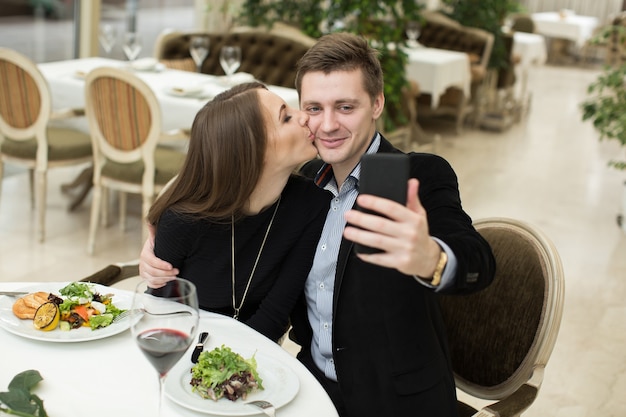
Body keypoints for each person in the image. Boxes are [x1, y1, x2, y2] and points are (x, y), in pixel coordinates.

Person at [140, 33, 495, 416]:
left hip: (396, 401)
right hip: (307, 388)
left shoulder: (419, 175)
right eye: (312, 108)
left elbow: (479, 261)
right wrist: (157, 252)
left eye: (345, 107)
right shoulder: (302, 184)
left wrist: (432, 259)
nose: (327, 125)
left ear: (376, 104)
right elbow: (226, 202)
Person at [144, 82, 330, 342]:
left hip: (252, 357)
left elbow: (275, 315)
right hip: (179, 347)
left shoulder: (313, 205)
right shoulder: (183, 220)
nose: (304, 117)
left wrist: (228, 371)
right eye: (286, 117)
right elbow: (159, 312)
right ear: (252, 150)